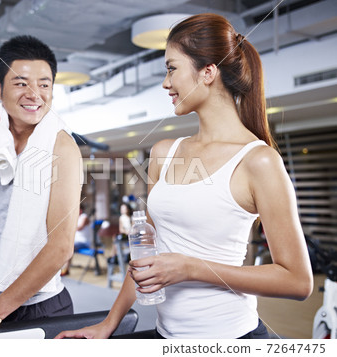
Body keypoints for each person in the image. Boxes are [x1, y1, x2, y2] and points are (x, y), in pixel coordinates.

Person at [56, 13, 313, 339]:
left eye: (171, 68)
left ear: (208, 72)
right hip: (166, 334)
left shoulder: (259, 161)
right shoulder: (165, 152)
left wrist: (190, 268)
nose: (165, 83)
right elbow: (143, 247)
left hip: (232, 338)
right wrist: (108, 325)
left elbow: (298, 281)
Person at [0, 35, 82, 339]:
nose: (34, 94)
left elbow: (61, 247)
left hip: (42, 306)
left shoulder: (62, 146)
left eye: (44, 85)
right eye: (21, 83)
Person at [61, 204, 93, 276]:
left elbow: (79, 228)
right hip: (77, 242)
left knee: (68, 248)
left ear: (80, 210)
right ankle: (65, 268)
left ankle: (66, 269)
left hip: (84, 242)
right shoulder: (77, 218)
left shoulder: (84, 217)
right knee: (65, 247)